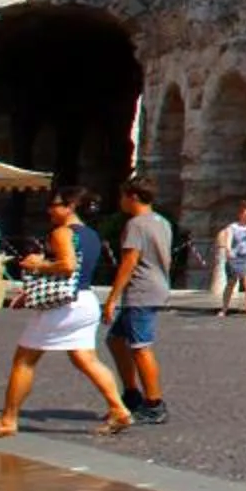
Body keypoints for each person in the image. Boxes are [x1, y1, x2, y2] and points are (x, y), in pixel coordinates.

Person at [0, 190, 132, 439]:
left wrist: (38, 264)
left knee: (24, 360)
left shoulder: (62, 233)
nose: (49, 210)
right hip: (85, 300)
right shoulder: (90, 234)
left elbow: (68, 265)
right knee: (85, 358)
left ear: (70, 206)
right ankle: (118, 408)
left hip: (64, 307)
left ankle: (8, 419)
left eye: (53, 205)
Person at [105, 180, 174, 424]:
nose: (120, 201)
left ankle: (154, 403)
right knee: (115, 340)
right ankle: (132, 394)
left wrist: (112, 298)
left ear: (132, 197)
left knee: (140, 347)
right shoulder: (161, 222)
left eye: (122, 196)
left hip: (141, 290)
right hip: (156, 285)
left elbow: (129, 262)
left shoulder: (135, 225)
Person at [217, 199, 246, 316]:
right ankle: (224, 309)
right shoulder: (232, 227)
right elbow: (228, 242)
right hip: (236, 258)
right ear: (240, 214)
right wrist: (228, 252)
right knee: (231, 283)